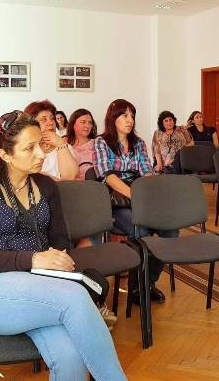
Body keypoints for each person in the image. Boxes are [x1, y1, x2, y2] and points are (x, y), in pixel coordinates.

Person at [0, 111, 126, 381]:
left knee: (71, 357)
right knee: (75, 297)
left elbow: (60, 240)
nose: (41, 154)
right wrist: (32, 259)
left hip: (43, 286)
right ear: (5, 154)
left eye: (40, 145)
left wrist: (57, 259)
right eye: (29, 148)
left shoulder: (45, 185)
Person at [94, 99, 178, 304]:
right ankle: (137, 287)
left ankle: (146, 283)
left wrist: (149, 193)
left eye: (132, 116)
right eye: (124, 115)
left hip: (140, 195)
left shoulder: (138, 143)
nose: (129, 120)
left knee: (170, 230)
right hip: (116, 201)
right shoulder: (101, 142)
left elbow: (146, 171)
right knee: (140, 229)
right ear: (113, 118)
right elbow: (107, 176)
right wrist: (136, 196)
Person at [24, 100, 78, 180]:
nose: (51, 123)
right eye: (44, 119)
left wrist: (61, 144)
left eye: (52, 118)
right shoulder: (25, 149)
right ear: (31, 124)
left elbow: (70, 178)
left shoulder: (65, 147)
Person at [66, 108, 97, 181]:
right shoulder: (65, 146)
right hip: (71, 185)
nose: (87, 126)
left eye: (90, 123)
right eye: (83, 122)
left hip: (95, 184)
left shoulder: (97, 144)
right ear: (73, 124)